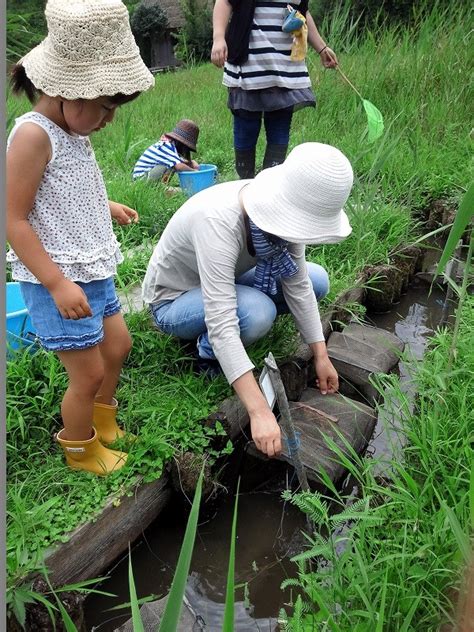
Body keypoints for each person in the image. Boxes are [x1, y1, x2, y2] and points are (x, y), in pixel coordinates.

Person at [6, 0, 154, 475]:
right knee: (86, 372)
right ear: (68, 89)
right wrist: (55, 284)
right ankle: (80, 449)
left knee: (118, 346)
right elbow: (14, 219)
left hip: (91, 265)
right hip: (59, 276)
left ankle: (103, 422)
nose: (108, 119)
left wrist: (103, 205)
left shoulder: (72, 128)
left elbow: (64, 189)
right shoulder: (32, 135)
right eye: (106, 107)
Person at [142, 142, 353, 458]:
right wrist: (259, 411)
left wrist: (320, 354)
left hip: (220, 281)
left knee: (316, 279)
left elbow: (297, 284)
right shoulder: (217, 222)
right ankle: (205, 355)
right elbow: (222, 321)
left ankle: (232, 331)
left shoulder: (282, 220)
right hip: (174, 300)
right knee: (257, 312)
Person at [211, 0, 339, 180]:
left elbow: (303, 13)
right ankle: (245, 181)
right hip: (249, 66)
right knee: (246, 125)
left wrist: (322, 48)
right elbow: (224, 2)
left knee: (280, 124)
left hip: (285, 67)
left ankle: (271, 185)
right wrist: (218, 38)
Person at [132, 119, 200, 183]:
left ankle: (161, 187)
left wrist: (191, 163)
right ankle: (157, 187)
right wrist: (194, 171)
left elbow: (180, 162)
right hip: (141, 179)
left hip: (145, 176)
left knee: (172, 164)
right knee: (172, 166)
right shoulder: (167, 146)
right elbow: (179, 166)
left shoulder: (170, 146)